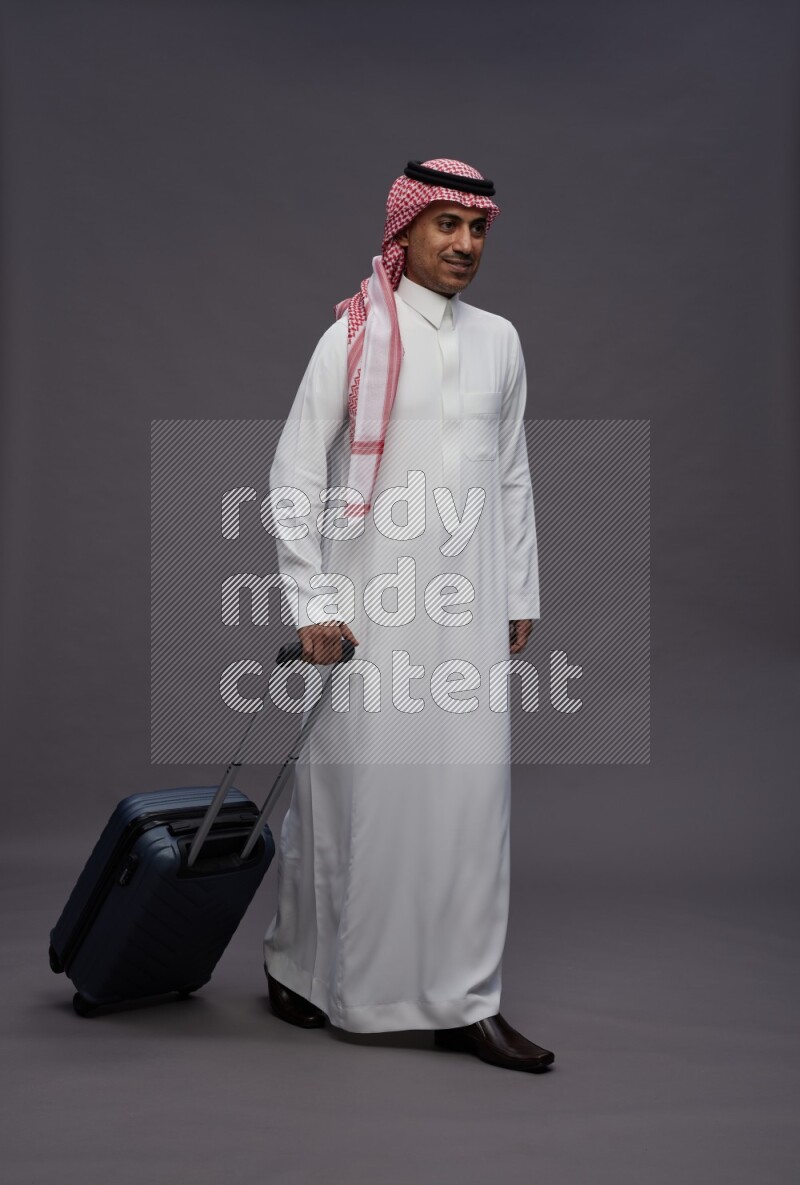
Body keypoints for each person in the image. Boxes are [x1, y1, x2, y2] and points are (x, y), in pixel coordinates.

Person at [263, 158, 553, 1072]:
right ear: (405, 231)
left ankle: (466, 1000)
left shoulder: (501, 340)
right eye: (447, 225)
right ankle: (300, 967)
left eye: (478, 229)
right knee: (351, 801)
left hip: (468, 609)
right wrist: (313, 601)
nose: (465, 244)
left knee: (469, 802)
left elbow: (511, 473)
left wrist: (518, 589)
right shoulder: (351, 336)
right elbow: (294, 474)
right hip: (371, 608)